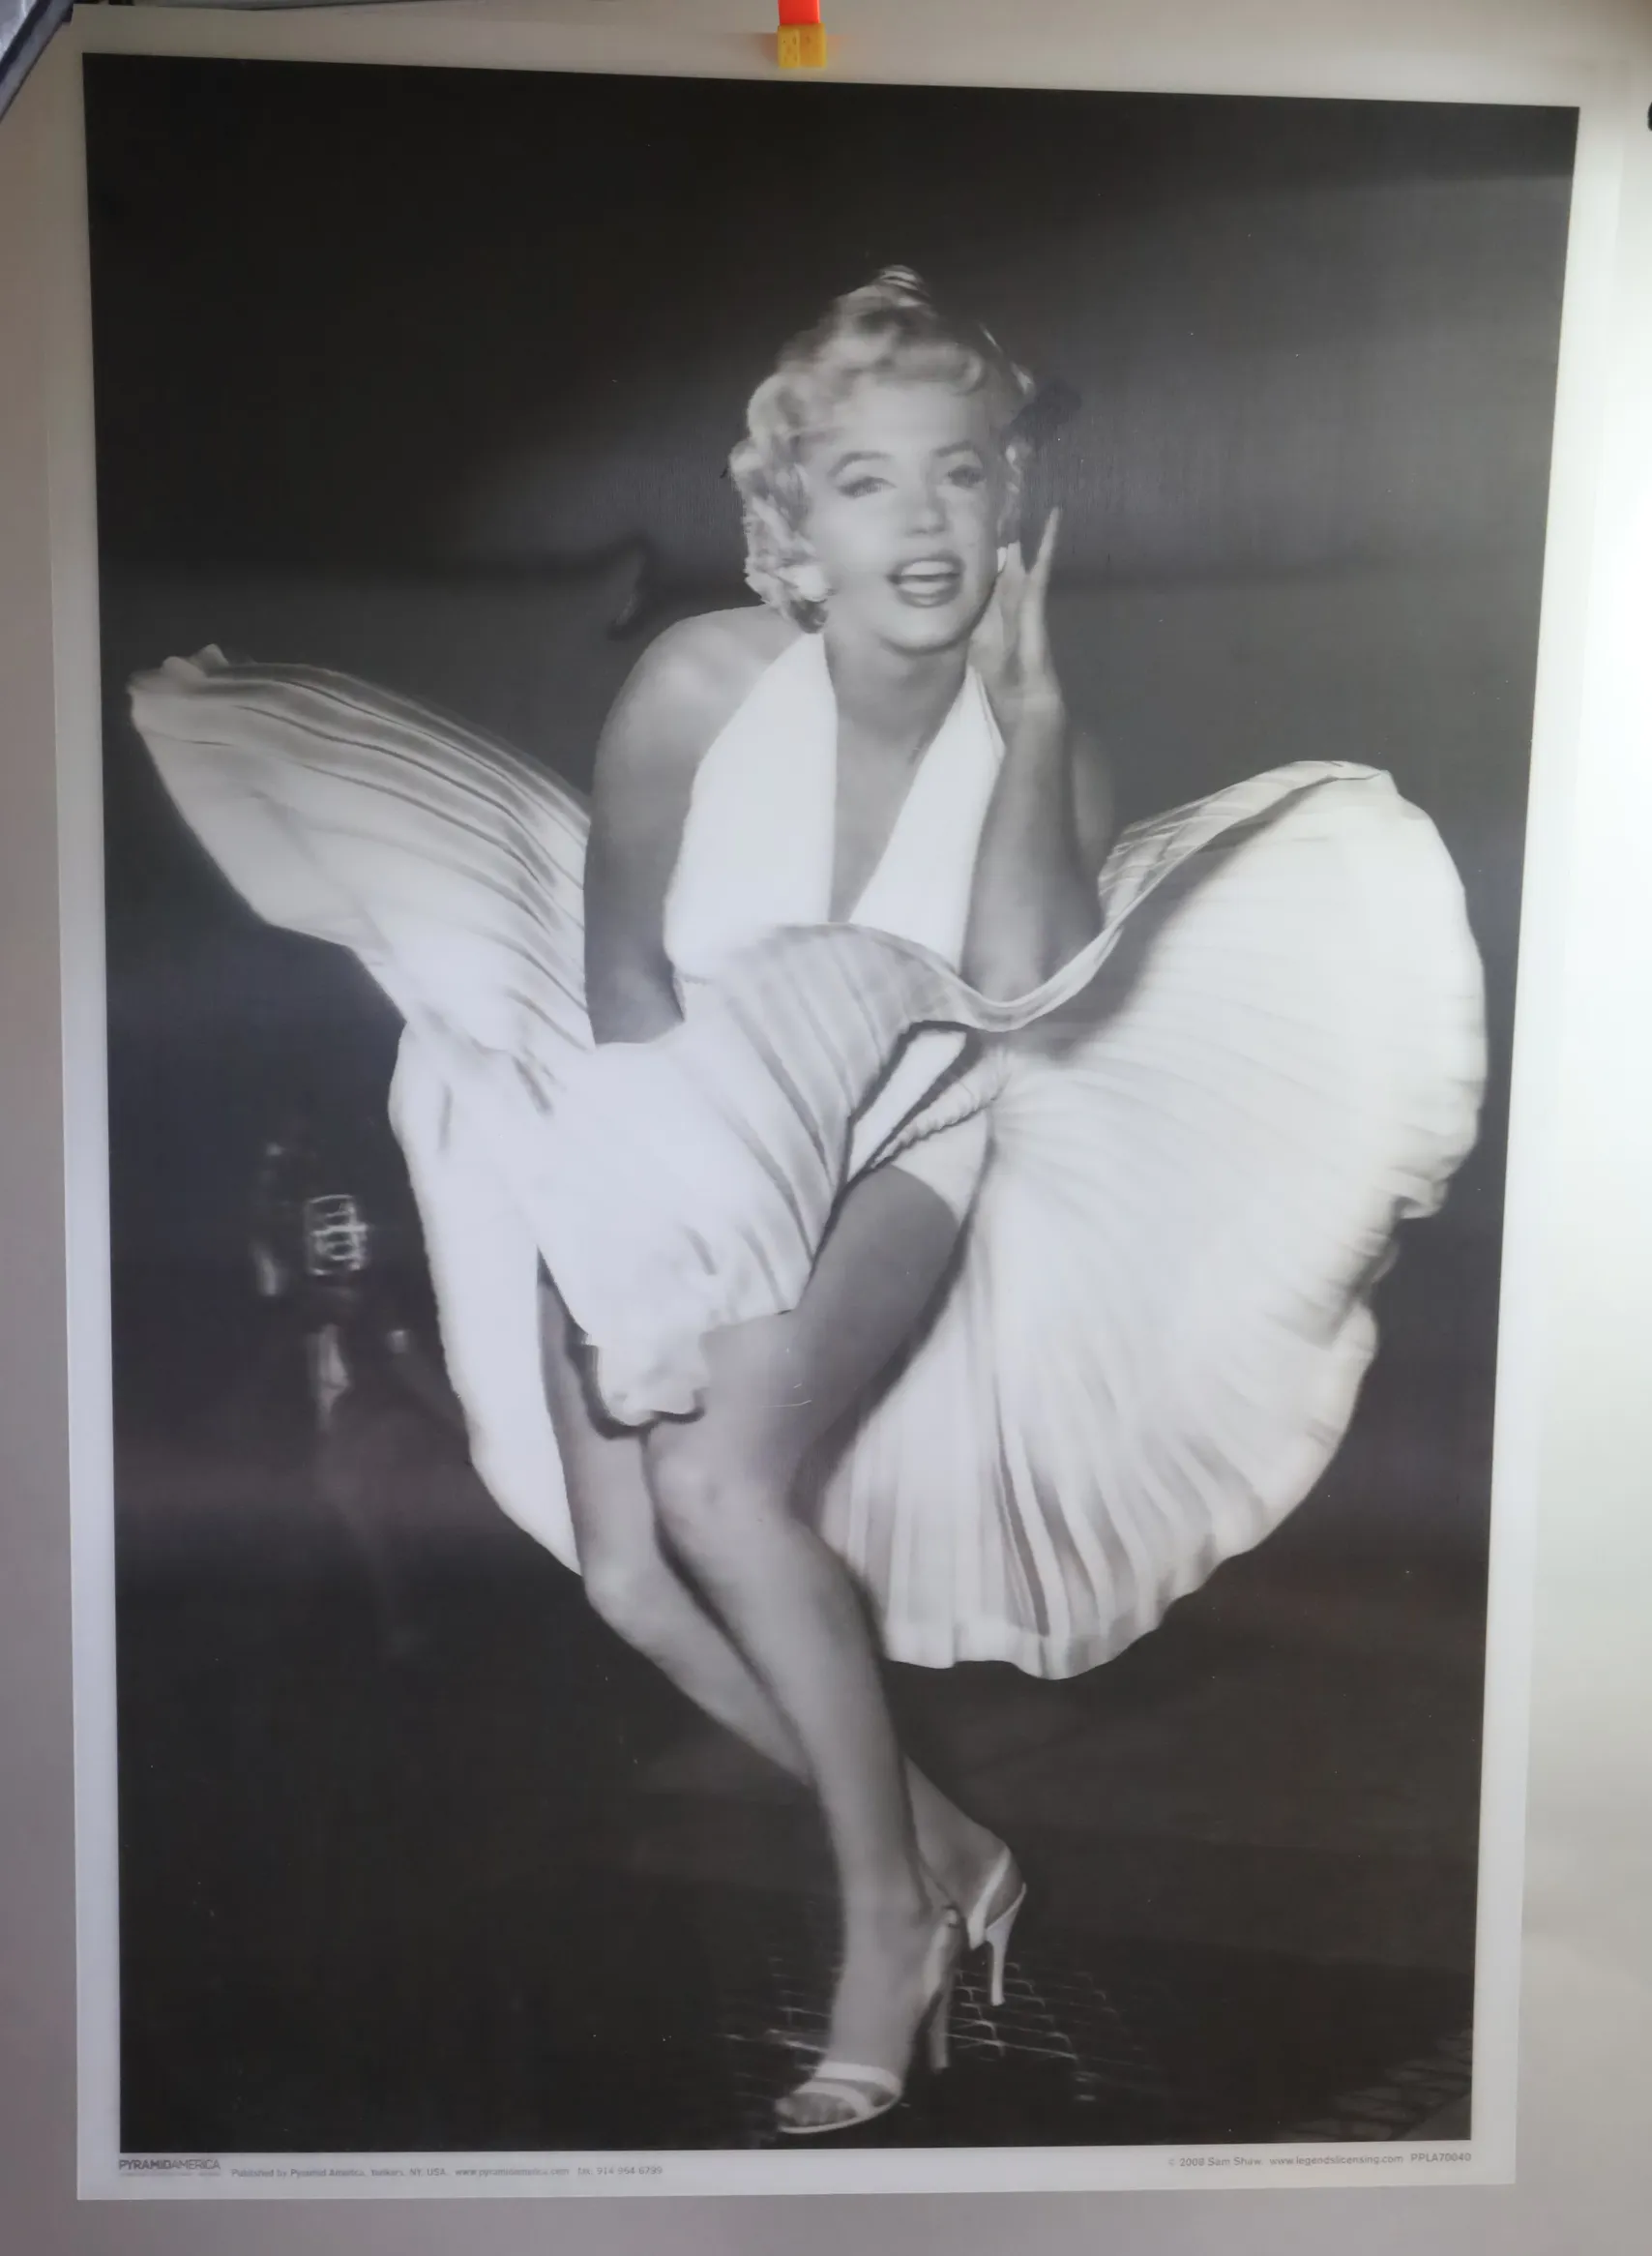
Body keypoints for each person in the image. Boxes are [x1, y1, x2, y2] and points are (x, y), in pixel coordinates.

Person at [129, 269, 1487, 2138]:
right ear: (795, 518)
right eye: (866, 481)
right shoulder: (700, 679)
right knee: (627, 1575)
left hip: (911, 1133)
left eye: (958, 474)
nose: (920, 521)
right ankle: (953, 1857)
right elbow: (620, 972)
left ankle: (884, 1933)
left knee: (718, 1495)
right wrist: (659, 1249)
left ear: (1013, 499)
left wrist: (1033, 713)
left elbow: (1025, 991)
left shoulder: (1048, 743)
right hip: (643, 1117)